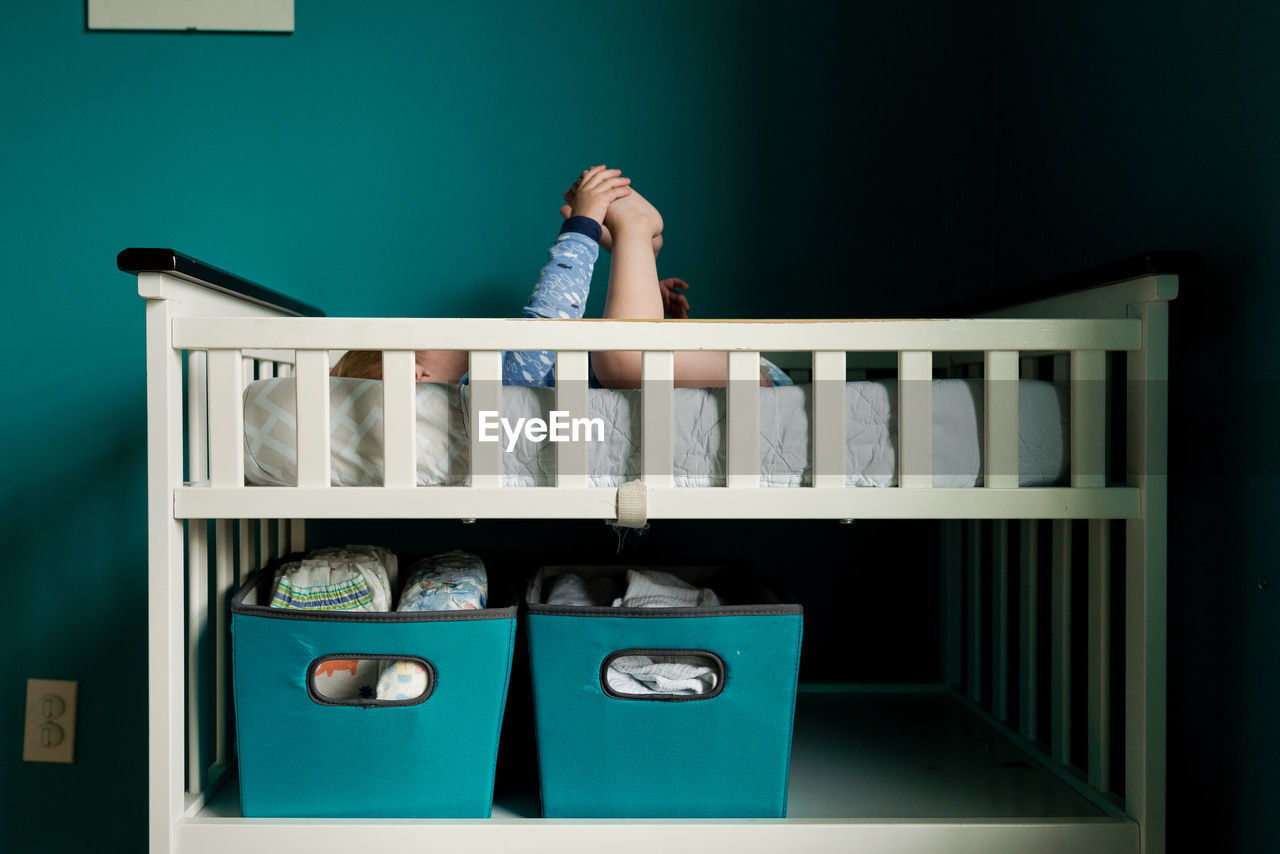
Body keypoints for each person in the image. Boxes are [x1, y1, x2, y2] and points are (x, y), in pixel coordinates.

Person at [331, 166, 789, 388]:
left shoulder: (496, 377)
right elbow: (549, 322)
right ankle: (633, 230)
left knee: (618, 353)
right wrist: (584, 224)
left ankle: (635, 249)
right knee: (620, 358)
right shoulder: (482, 392)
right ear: (415, 374)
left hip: (748, 375)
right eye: (423, 333)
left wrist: (642, 295)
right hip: (751, 379)